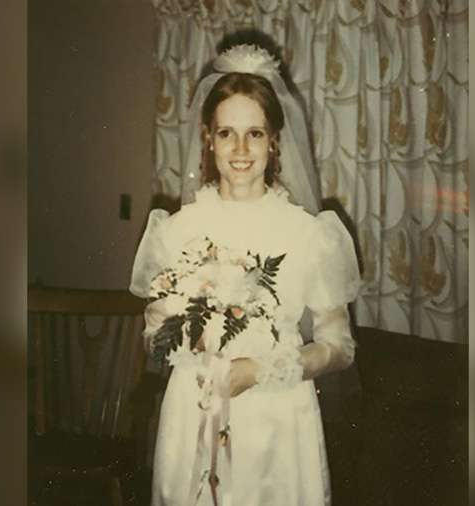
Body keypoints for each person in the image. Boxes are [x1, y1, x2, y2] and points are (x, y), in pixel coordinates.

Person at [130, 44, 361, 506]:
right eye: (226, 133)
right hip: (193, 413)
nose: (240, 149)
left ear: (274, 140)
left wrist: (259, 369)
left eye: (254, 133)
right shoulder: (177, 230)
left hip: (277, 420)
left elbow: (340, 349)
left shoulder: (307, 234)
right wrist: (190, 339)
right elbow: (153, 334)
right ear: (208, 138)